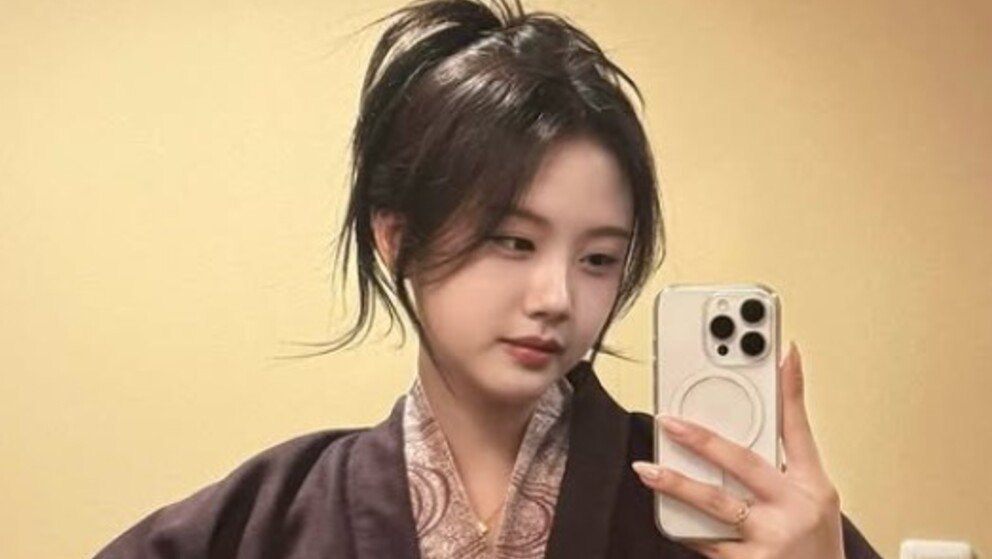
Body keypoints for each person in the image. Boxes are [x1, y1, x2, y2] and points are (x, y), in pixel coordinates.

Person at [94, 1, 883, 558]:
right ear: (396, 237)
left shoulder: (730, 517)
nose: (557, 298)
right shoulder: (271, 519)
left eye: (598, 258)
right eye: (513, 241)